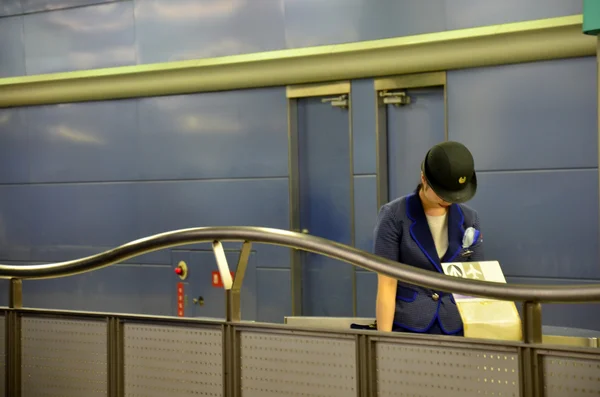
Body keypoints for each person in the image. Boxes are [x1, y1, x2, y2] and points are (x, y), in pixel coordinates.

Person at [373, 141, 484, 335]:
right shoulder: (394, 215)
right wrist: (384, 340)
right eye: (443, 193)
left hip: (456, 324)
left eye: (456, 194)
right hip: (409, 323)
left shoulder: (470, 218)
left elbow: (478, 283)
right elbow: (386, 283)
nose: (449, 200)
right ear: (424, 179)